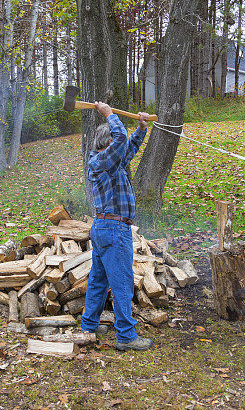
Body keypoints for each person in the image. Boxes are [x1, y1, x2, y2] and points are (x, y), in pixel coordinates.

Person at [81, 102, 154, 351]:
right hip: (113, 229)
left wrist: (142, 128)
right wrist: (110, 115)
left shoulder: (111, 162)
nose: (118, 147)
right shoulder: (101, 161)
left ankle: (89, 326)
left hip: (104, 228)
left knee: (98, 280)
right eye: (113, 142)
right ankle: (126, 336)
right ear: (106, 144)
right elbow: (121, 139)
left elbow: (127, 146)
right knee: (122, 281)